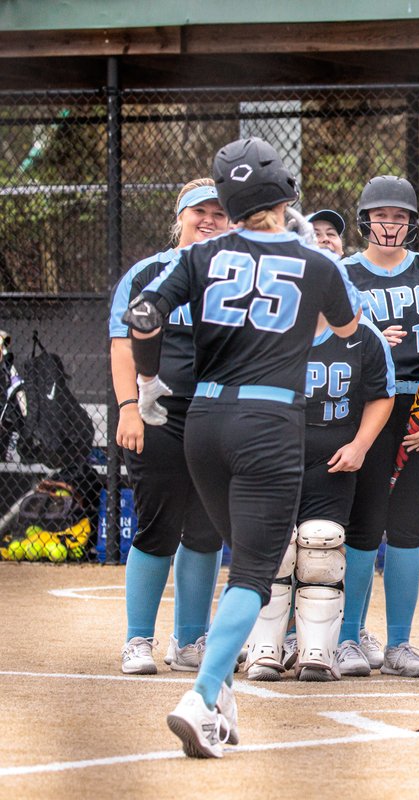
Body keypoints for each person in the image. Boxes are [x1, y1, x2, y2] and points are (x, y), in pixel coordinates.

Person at [126, 137, 361, 757]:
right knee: (255, 574)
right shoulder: (318, 262)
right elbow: (346, 326)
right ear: (285, 194)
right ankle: (201, 697)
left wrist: (148, 383)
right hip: (270, 421)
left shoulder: (202, 253)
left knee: (239, 561)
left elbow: (145, 314)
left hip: (202, 418)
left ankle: (223, 692)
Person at [341, 175, 419, 678]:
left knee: (407, 529)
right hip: (365, 407)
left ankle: (400, 643)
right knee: (362, 526)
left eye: (400, 216)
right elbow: (323, 344)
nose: (390, 224)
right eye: (381, 215)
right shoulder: (342, 274)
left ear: (412, 222)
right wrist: (370, 343)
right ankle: (347, 637)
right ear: (365, 218)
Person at [110, 179, 228, 675]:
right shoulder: (149, 272)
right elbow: (123, 345)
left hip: (216, 415)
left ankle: (190, 641)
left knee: (204, 531)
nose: (208, 219)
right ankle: (138, 639)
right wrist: (128, 407)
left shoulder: (234, 275)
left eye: (219, 213)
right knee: (157, 526)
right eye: (199, 210)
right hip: (158, 413)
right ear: (179, 217)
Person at [241, 312, 395, 681]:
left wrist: (360, 445)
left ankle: (317, 650)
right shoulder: (266, 326)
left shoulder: (362, 335)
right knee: (274, 551)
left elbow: (381, 396)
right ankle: (264, 648)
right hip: (275, 453)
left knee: (322, 547)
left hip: (332, 459)